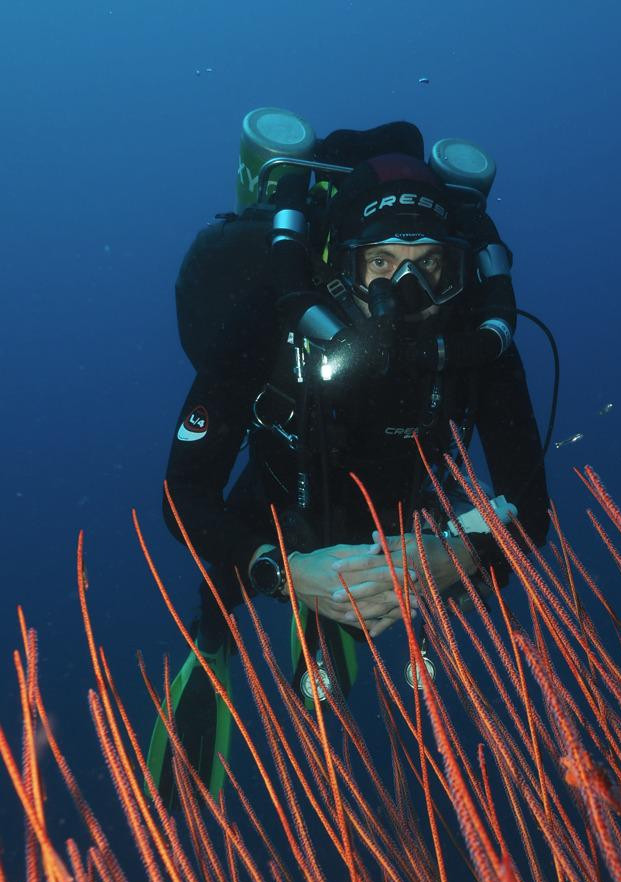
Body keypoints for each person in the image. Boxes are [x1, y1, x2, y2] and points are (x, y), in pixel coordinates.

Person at [147, 121, 550, 809]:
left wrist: (454, 558)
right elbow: (182, 492)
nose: (409, 288)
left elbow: (530, 510)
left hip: (409, 528)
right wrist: (283, 571)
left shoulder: (481, 345)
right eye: (383, 263)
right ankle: (215, 643)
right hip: (277, 510)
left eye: (429, 265)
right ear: (342, 262)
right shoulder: (267, 321)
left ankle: (332, 617)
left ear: (459, 268)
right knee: (222, 594)